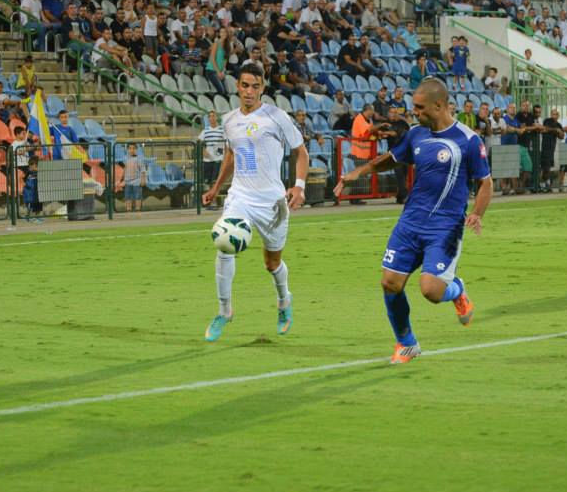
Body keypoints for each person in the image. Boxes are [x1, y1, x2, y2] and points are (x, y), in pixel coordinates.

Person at [333, 77, 492, 364]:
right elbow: (393, 158)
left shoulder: (468, 141)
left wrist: (477, 214)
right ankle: (407, 343)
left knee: (431, 291)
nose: (414, 112)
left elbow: (485, 182)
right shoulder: (416, 134)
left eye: (419, 108)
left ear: (439, 106)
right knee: (390, 283)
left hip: (445, 227)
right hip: (410, 223)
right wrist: (361, 171)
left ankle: (456, 289)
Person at [201, 63, 309, 341]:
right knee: (224, 246)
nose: (249, 91)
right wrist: (217, 187)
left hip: (272, 202)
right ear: (237, 86)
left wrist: (299, 186)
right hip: (240, 196)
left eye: (255, 86)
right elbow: (231, 155)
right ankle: (225, 311)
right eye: (245, 85)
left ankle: (284, 301)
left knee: (272, 263)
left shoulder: (277, 117)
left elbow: (301, 152)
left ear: (262, 88)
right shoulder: (229, 120)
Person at [198, 110, 225, 208]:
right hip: (208, 159)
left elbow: (227, 142)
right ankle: (209, 201)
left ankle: (214, 202)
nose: (212, 118)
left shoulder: (222, 130)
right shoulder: (205, 131)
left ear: (216, 118)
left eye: (213, 116)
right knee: (208, 181)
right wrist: (203, 151)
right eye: (210, 116)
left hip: (218, 158)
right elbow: (199, 142)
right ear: (208, 119)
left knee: (215, 181)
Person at [118, 143, 146, 212]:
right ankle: (128, 210)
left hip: (137, 181)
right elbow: (124, 169)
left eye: (133, 148)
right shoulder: (125, 158)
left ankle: (138, 209)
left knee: (138, 196)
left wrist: (143, 180)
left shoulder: (139, 159)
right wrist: (121, 179)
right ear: (127, 149)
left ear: (136, 149)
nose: (131, 150)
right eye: (130, 148)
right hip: (127, 181)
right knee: (128, 196)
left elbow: (143, 170)